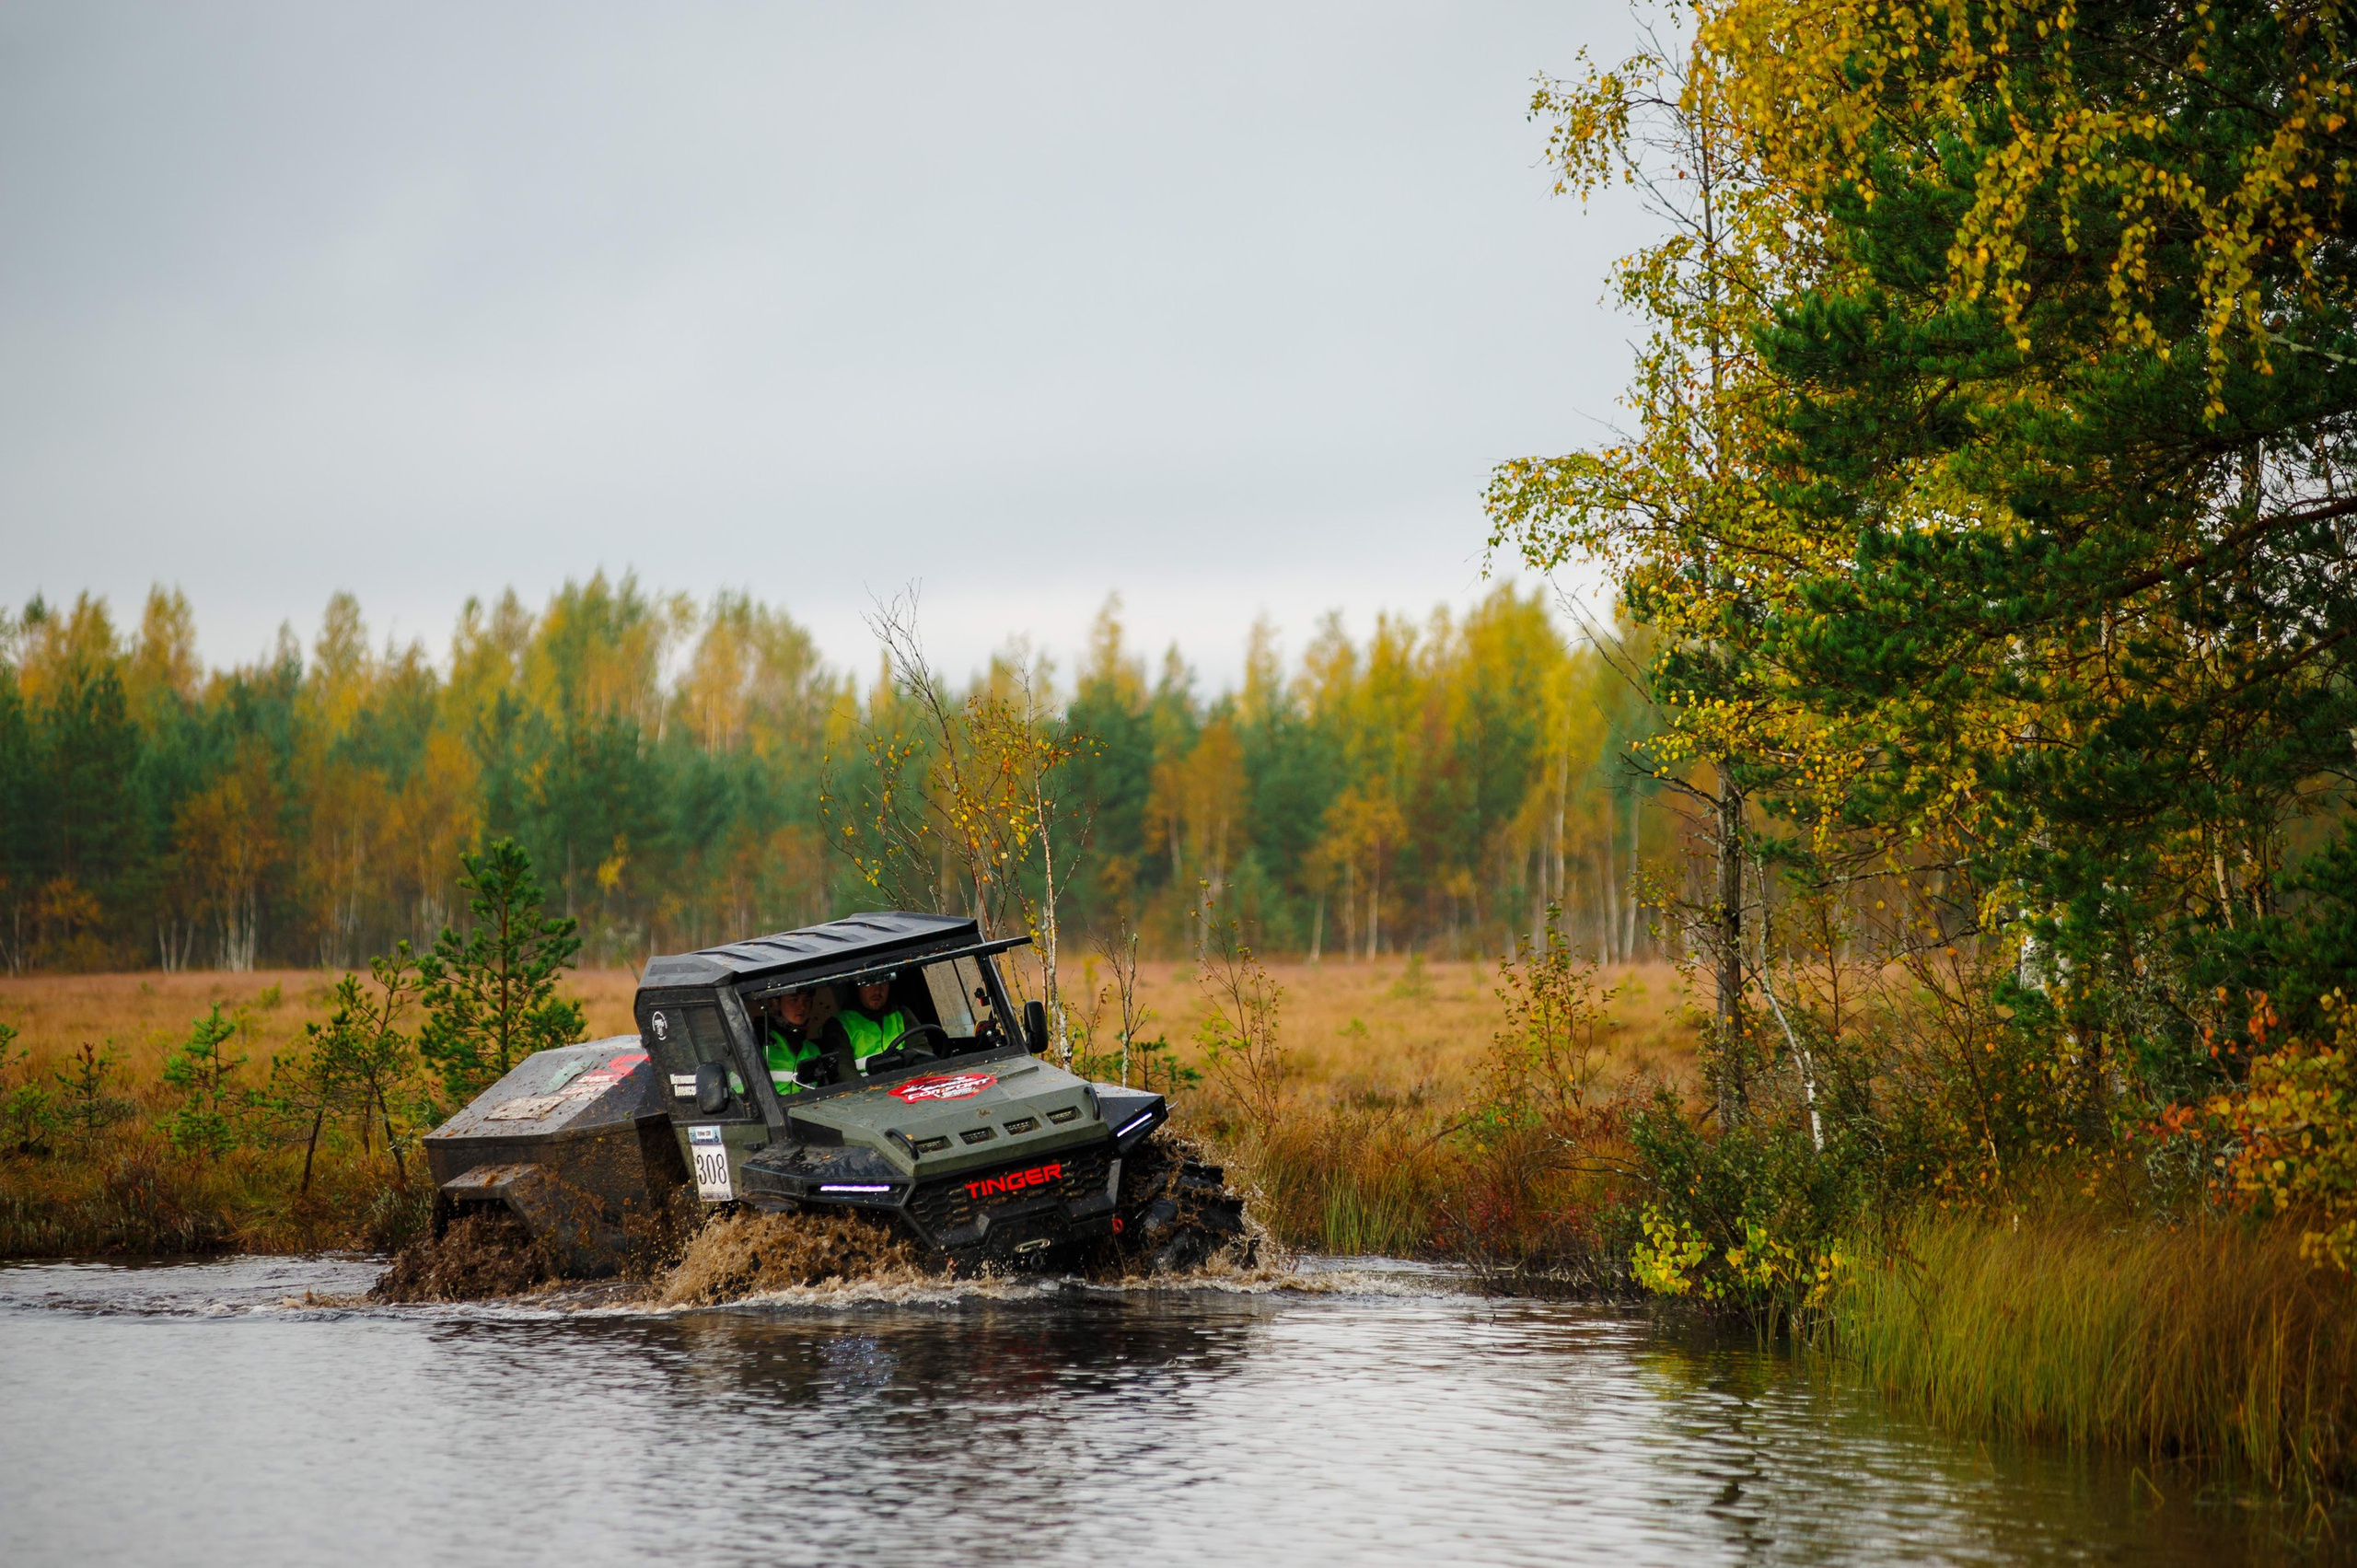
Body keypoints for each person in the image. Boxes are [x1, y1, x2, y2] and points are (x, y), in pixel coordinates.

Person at [819, 976, 918, 1077]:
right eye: (869, 983)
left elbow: (921, 1054)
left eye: (883, 982)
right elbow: (844, 1072)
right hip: (866, 1091)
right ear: (857, 987)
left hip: (909, 1087)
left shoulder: (901, 1014)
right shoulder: (839, 1024)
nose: (877, 990)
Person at [763, 988, 821, 1095]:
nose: (802, 1007)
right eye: (794, 1000)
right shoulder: (759, 1043)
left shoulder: (813, 1049)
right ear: (775, 1004)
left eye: (807, 1000)